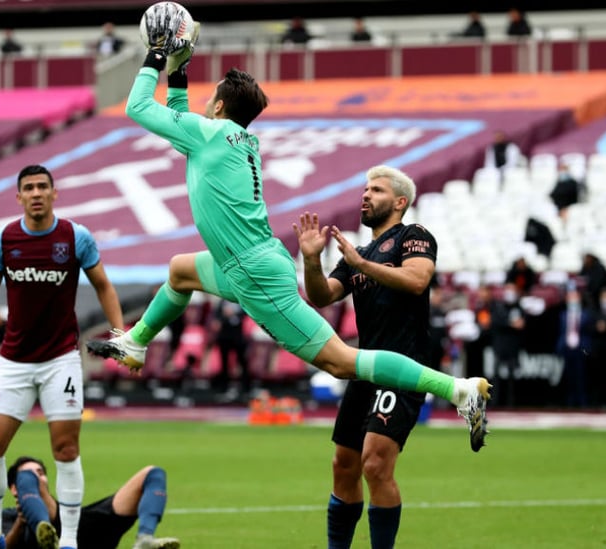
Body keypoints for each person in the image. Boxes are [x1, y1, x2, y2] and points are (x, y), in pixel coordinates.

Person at [85, 7, 489, 457]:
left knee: (341, 361)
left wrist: (158, 54)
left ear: (218, 107)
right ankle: (137, 343)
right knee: (181, 271)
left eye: (209, 100)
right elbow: (179, 116)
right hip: (248, 260)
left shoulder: (211, 136)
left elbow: (138, 106)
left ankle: (457, 389)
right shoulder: (229, 137)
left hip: (253, 270)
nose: (201, 106)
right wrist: (181, 69)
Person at [0, 164, 124, 549]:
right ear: (18, 197)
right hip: (14, 361)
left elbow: (103, 285)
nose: (36, 193)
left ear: (55, 194)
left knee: (66, 449)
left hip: (60, 360)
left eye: (42, 187)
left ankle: (68, 540)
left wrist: (122, 335)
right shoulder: (4, 239)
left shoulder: (75, 237)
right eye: (28, 188)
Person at [297, 165, 438, 549]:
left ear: (399, 202)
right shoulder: (358, 253)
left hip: (403, 366)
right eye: (364, 189)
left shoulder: (415, 236)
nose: (365, 195)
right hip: (365, 368)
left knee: (375, 464)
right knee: (344, 465)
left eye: (375, 190)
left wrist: (362, 266)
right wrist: (312, 260)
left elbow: (417, 280)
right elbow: (323, 296)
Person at [2, 456, 180, 549]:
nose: (37, 477)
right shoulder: (8, 517)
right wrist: (20, 522)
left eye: (40, 472)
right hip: (33, 526)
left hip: (77, 525)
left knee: (153, 473)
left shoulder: (81, 520)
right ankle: (41, 527)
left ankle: (145, 539)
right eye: (28, 477)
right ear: (14, 488)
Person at [556, 285, 594, 408]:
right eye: (570, 297)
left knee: (582, 377)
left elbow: (589, 332)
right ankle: (570, 402)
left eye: (575, 297)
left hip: (581, 349)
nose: (573, 299)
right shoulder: (562, 315)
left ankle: (583, 402)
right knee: (568, 377)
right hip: (567, 349)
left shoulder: (586, 314)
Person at [489, 283, 525, 407]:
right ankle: (494, 402)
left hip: (513, 346)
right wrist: (510, 324)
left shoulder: (518, 307)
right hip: (500, 345)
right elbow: (495, 321)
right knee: (496, 375)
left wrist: (513, 324)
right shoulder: (499, 306)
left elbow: (522, 323)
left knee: (512, 376)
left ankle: (511, 403)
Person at [209, 299, 252, 401]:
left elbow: (245, 313)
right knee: (224, 364)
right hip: (224, 336)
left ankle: (246, 389)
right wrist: (221, 319)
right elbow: (216, 316)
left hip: (238, 336)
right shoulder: (222, 301)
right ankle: (224, 388)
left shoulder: (240, 299)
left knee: (243, 363)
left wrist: (234, 314)